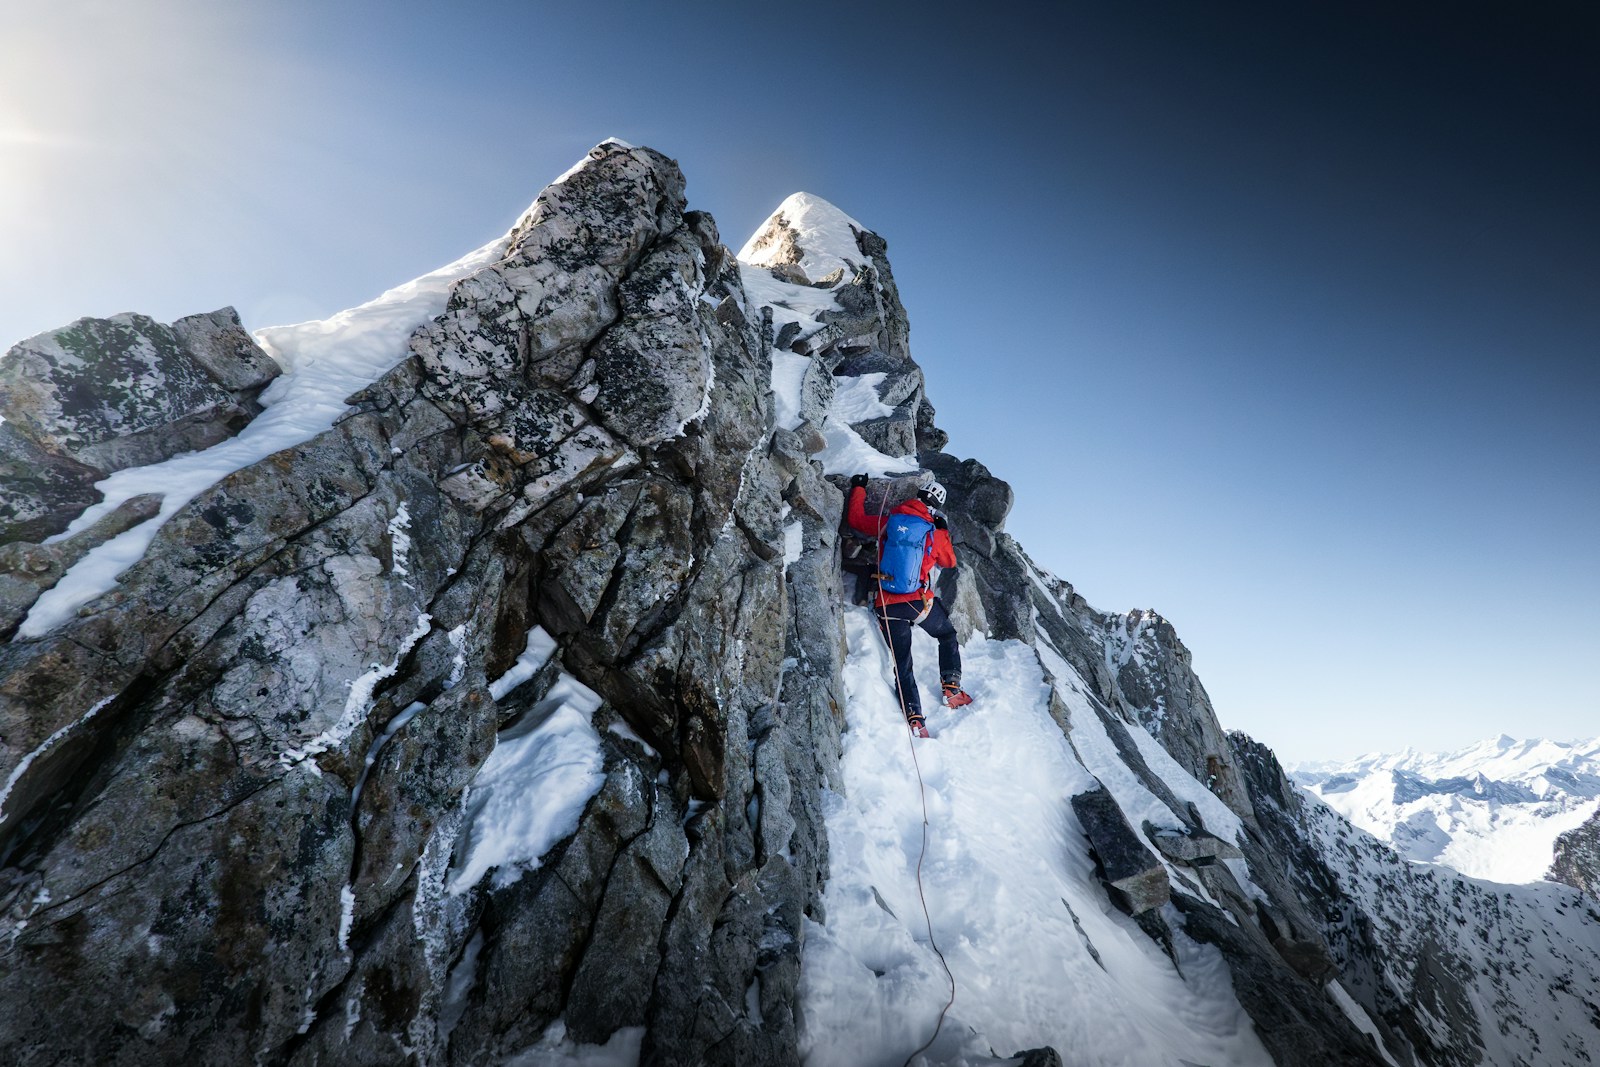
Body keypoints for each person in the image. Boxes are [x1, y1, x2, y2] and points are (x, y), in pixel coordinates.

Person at [847, 474, 973, 737]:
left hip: (886, 604)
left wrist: (858, 487)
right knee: (947, 634)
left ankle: (915, 717)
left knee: (902, 663)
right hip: (917, 603)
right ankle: (951, 687)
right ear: (936, 506)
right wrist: (941, 529)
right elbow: (949, 561)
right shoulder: (931, 530)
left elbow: (856, 520)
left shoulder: (891, 520)